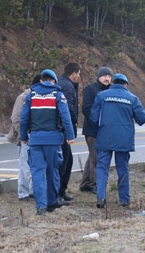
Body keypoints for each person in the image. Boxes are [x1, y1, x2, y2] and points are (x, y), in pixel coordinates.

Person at [20, 69, 76, 215]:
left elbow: (24, 117)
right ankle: (52, 202)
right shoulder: (58, 95)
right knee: (53, 172)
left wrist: (23, 136)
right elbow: (65, 116)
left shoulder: (30, 95)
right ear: (53, 81)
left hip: (36, 140)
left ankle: (40, 207)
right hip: (53, 140)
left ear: (41, 80)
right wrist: (70, 136)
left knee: (37, 173)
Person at [90, 73, 145, 208]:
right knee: (122, 168)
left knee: (102, 168)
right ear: (125, 85)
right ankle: (124, 199)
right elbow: (142, 119)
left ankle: (100, 198)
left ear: (113, 83)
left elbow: (93, 117)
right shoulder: (132, 98)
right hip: (124, 139)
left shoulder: (102, 96)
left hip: (105, 137)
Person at [7, 74, 41, 201]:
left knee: (36, 166)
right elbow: (15, 118)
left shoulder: (40, 97)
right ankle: (23, 193)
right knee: (24, 166)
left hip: (37, 136)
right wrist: (23, 135)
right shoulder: (23, 97)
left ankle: (32, 190)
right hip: (26, 136)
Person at [79, 66, 113, 193]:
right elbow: (86, 109)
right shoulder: (91, 89)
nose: (107, 78)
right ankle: (96, 185)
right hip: (93, 130)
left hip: (104, 130)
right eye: (105, 76)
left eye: (109, 76)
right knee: (96, 158)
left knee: (92, 157)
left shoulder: (111, 90)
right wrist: (98, 121)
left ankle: (85, 183)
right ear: (99, 76)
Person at [56, 62, 81, 203]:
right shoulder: (67, 86)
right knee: (64, 161)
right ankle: (58, 193)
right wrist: (74, 121)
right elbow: (68, 107)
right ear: (74, 73)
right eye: (78, 74)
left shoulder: (62, 83)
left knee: (68, 161)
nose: (78, 76)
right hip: (64, 129)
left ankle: (61, 190)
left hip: (62, 128)